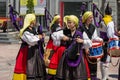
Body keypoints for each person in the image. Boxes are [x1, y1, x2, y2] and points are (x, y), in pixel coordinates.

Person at [12, 13, 46, 80]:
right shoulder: (25, 31)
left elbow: (35, 38)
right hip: (27, 51)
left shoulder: (33, 29)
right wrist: (39, 37)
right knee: (29, 67)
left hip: (35, 51)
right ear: (31, 20)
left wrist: (41, 36)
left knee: (37, 66)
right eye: (34, 19)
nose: (35, 21)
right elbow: (31, 41)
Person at [55, 15, 90, 80]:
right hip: (67, 56)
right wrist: (61, 38)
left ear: (75, 23)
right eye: (68, 22)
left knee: (77, 75)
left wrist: (82, 41)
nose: (68, 24)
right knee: (66, 75)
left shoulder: (80, 33)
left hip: (78, 56)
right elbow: (54, 36)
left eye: (70, 22)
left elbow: (89, 43)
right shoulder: (65, 31)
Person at [79, 11, 103, 80]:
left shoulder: (92, 27)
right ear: (86, 18)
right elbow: (80, 39)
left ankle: (93, 78)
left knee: (93, 66)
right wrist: (86, 48)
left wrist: (101, 40)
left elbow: (95, 38)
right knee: (85, 67)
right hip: (84, 51)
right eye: (90, 18)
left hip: (92, 51)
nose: (92, 19)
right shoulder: (81, 28)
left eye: (92, 17)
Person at [99, 3, 119, 80]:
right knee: (106, 61)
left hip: (102, 42)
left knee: (102, 60)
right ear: (111, 13)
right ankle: (104, 78)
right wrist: (117, 37)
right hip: (107, 43)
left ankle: (104, 77)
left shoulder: (102, 20)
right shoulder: (110, 22)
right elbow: (110, 35)